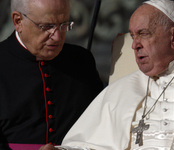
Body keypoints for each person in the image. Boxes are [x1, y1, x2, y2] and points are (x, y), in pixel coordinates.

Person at [40, 0, 174, 150]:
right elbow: (85, 145)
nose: (134, 45)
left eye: (143, 34)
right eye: (132, 36)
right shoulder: (121, 89)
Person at [0, 0, 103, 149]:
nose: (57, 37)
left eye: (63, 25)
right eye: (47, 26)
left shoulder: (82, 61)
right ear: (18, 21)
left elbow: (100, 125)